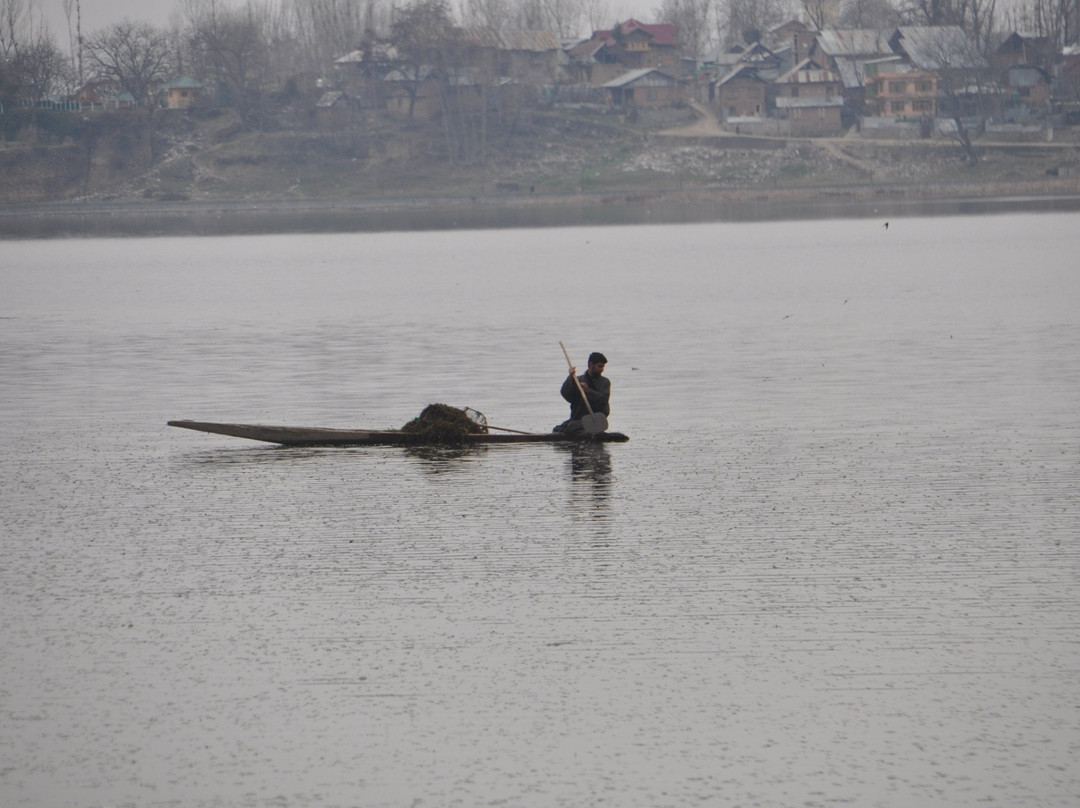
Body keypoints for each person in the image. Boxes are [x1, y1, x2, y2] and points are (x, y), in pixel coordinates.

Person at [555, 351, 610, 434]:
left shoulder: (605, 382)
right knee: (558, 429)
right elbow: (567, 395)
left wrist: (588, 391)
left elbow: (603, 400)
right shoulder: (577, 380)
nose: (602, 369)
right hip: (578, 419)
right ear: (591, 365)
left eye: (603, 367)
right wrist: (570, 377)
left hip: (594, 419)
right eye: (600, 366)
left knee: (571, 427)